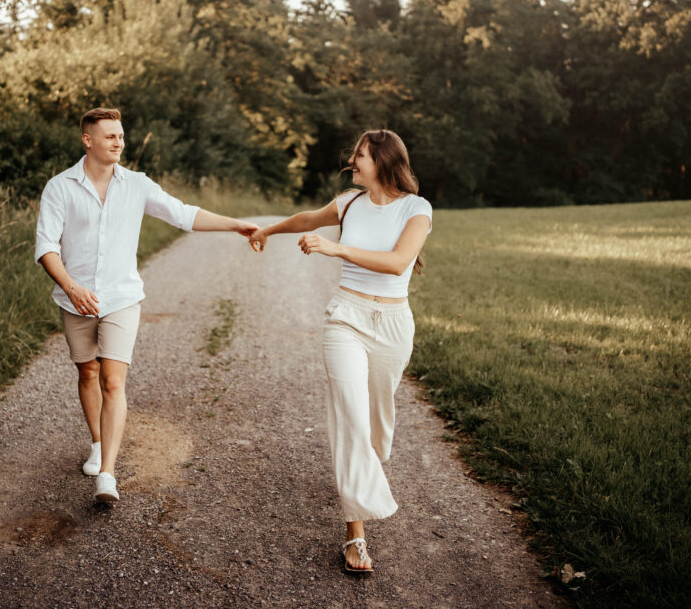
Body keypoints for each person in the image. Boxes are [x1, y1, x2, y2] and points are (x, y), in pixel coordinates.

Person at [35, 107, 258, 503]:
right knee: (87, 372)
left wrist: (236, 224)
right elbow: (47, 247)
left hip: (122, 297)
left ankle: (108, 474)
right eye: (110, 136)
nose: (119, 142)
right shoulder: (60, 187)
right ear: (88, 140)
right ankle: (97, 443)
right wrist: (71, 288)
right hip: (76, 299)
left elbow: (183, 214)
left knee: (113, 380)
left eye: (121, 135)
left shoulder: (136, 184)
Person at [248, 129, 432, 573]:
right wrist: (267, 229)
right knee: (349, 417)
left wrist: (335, 248)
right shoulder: (350, 201)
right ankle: (356, 537)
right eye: (354, 155)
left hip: (391, 324)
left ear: (385, 161)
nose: (353, 162)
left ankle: (365, 465)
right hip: (345, 317)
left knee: (375, 422)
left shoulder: (417, 209)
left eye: (361, 156)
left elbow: (395, 262)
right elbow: (307, 218)